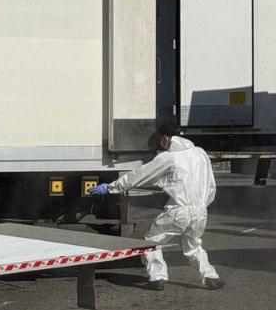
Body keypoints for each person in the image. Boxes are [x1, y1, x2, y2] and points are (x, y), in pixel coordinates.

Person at [90, 123, 224, 291]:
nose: (161, 142)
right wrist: (202, 206)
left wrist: (111, 187)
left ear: (166, 138)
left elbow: (139, 175)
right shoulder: (200, 153)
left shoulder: (169, 157)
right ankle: (211, 276)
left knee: (151, 241)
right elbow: (211, 186)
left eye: (160, 139)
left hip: (179, 210)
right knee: (194, 245)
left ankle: (157, 277)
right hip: (200, 211)